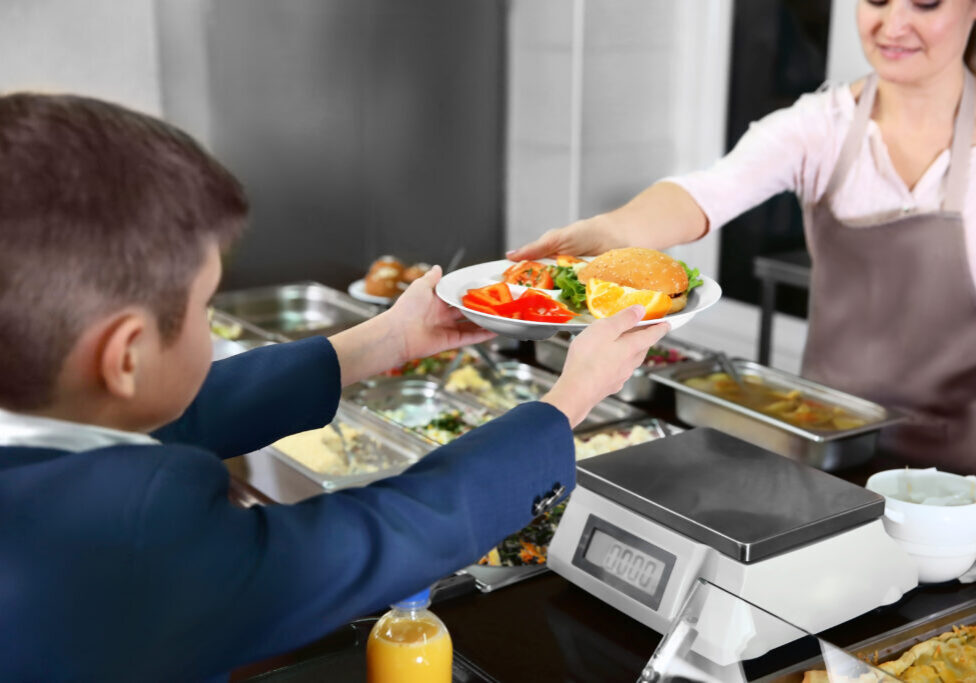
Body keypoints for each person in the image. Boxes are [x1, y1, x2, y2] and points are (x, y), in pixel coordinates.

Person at [0, 93, 668, 681]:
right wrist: (566, 402)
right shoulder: (130, 539)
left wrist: (386, 340)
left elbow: (164, 414)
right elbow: (381, 537)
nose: (209, 326)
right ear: (124, 354)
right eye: (207, 307)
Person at [510, 0, 976, 472]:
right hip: (822, 439)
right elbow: (706, 191)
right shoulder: (823, 126)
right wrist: (613, 229)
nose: (893, 25)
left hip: (958, 475)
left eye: (925, 2)